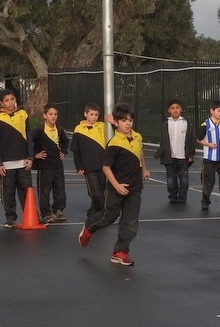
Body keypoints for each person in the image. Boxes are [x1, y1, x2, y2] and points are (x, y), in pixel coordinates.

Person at [78, 103, 150, 266]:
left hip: (135, 188)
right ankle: (89, 226)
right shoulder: (114, 143)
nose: (128, 123)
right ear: (116, 123)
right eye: (123, 120)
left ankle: (120, 251)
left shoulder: (137, 137)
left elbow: (140, 152)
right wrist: (117, 185)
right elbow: (105, 167)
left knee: (131, 222)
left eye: (130, 120)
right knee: (108, 217)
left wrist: (144, 169)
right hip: (116, 188)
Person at [0, 89, 33, 228]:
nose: (10, 102)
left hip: (23, 162)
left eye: (12, 99)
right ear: (2, 103)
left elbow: (29, 137)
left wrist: (30, 157)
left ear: (15, 99)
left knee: (26, 190)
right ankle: (10, 218)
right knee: (8, 192)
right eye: (6, 100)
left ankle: (31, 215)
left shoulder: (23, 115)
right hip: (6, 164)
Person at [29, 103, 70, 223]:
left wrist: (63, 151)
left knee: (59, 187)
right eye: (50, 114)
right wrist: (35, 155)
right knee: (44, 189)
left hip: (57, 163)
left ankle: (58, 210)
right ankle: (46, 213)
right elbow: (28, 141)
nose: (53, 117)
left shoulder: (60, 129)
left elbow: (65, 142)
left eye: (55, 114)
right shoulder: (39, 130)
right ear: (45, 116)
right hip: (44, 164)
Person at [70, 102, 107, 218]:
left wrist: (111, 121)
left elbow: (115, 129)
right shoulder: (78, 129)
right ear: (85, 114)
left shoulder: (102, 126)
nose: (94, 117)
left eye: (96, 114)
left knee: (103, 189)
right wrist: (79, 166)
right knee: (94, 192)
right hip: (88, 166)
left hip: (103, 165)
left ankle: (94, 209)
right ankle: (103, 211)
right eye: (91, 114)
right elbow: (76, 150)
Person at [154, 98, 194, 204]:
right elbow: (163, 141)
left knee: (183, 178)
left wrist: (190, 155)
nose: (175, 110)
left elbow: (191, 140)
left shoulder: (186, 123)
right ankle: (172, 195)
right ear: (169, 110)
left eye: (177, 108)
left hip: (183, 157)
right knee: (171, 179)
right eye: (172, 108)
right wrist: (160, 153)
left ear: (181, 109)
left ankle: (182, 196)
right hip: (170, 156)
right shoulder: (165, 124)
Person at [196, 100, 220, 211]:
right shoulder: (205, 124)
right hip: (210, 159)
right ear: (212, 111)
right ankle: (205, 202)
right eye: (218, 111)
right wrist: (209, 144)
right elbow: (198, 139)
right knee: (208, 182)